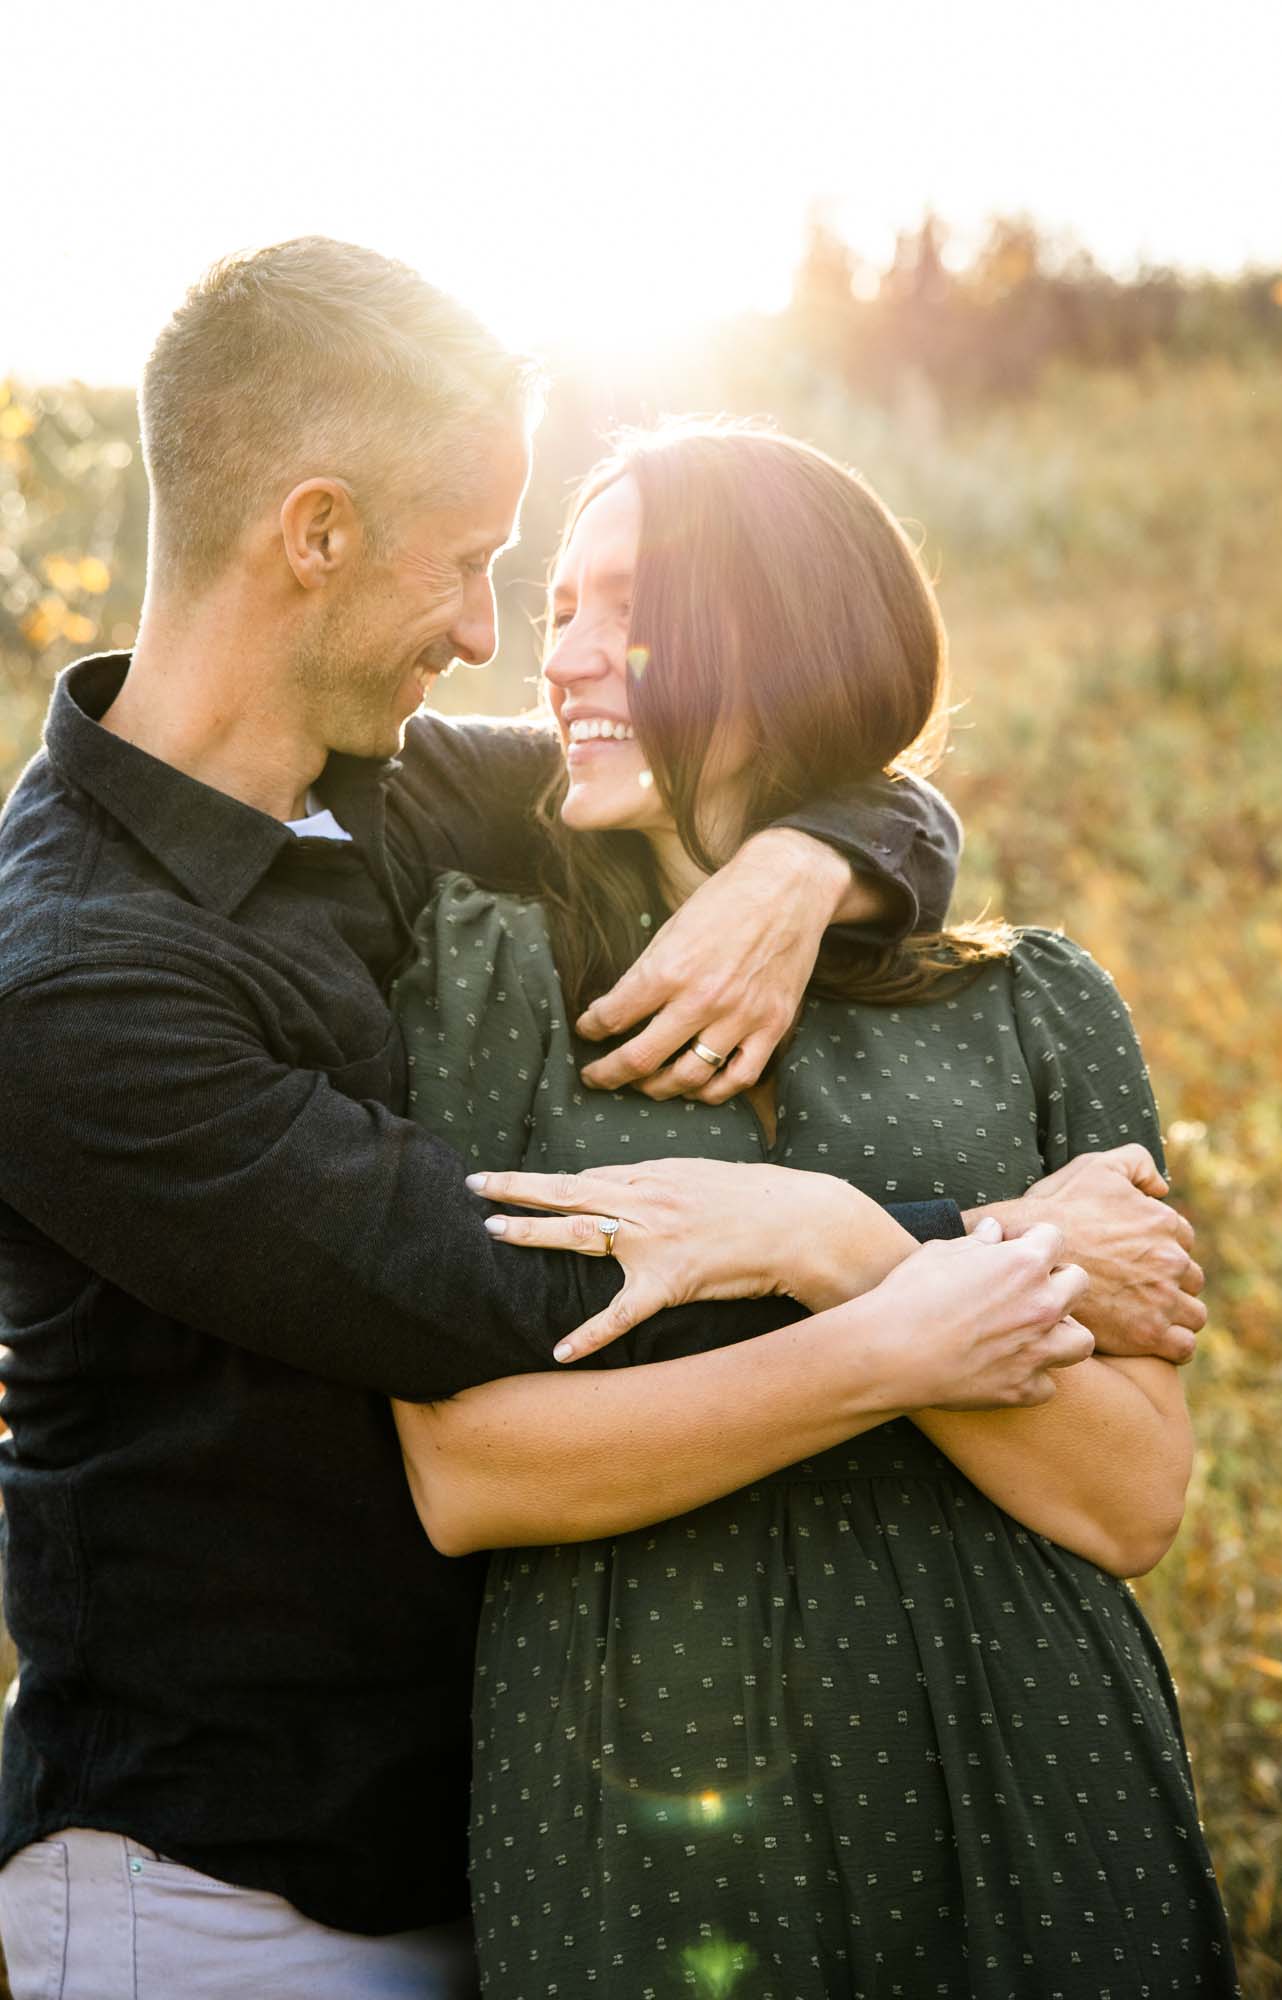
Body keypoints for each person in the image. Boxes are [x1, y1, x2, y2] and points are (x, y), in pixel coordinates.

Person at [0, 242, 1199, 1998]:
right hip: (234, 1888)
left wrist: (811, 864)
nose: (489, 637)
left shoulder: (390, 794)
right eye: (473, 565)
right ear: (314, 533)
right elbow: (483, 1281)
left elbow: (777, 747)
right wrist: (975, 1249)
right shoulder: (71, 984)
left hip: (514, 1836)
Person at [390, 424, 1237, 1996]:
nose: (556, 657)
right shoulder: (491, 978)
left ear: (788, 631)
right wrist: (931, 1302)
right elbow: (468, 1471)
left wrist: (834, 1240)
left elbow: (1126, 1502)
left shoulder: (1037, 1005)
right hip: (639, 1791)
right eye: (558, 609)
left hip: (1033, 1769)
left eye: (621, 606)